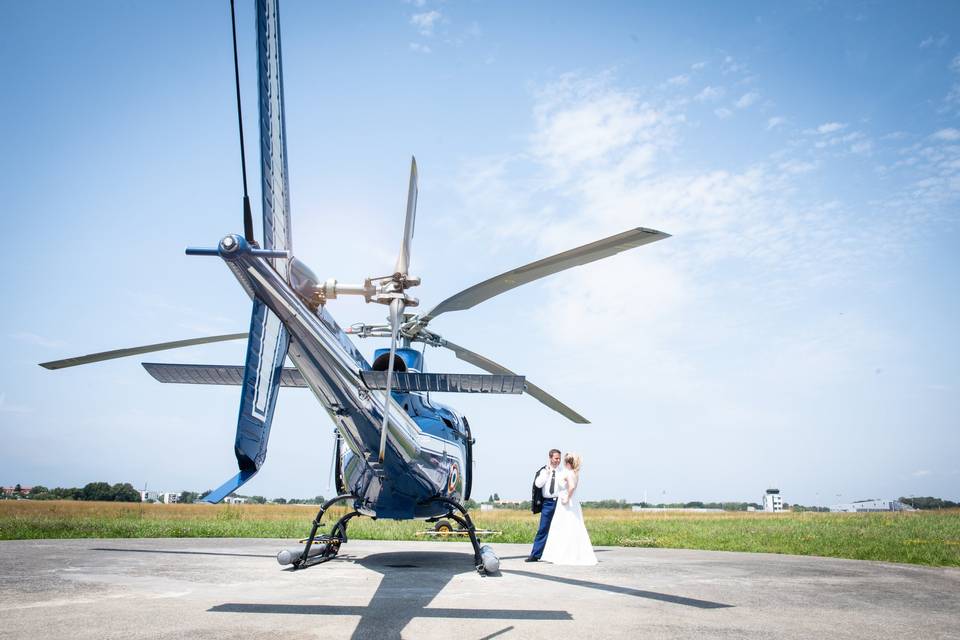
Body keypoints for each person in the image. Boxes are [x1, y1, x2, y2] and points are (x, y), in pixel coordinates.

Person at [540, 453, 597, 566]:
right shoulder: (574, 473)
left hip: (566, 503)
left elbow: (571, 487)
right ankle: (565, 553)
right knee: (571, 526)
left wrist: (567, 498)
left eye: (565, 461)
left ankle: (564, 554)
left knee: (563, 527)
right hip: (571, 503)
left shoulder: (569, 474)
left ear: (568, 463)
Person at [526, 448, 562, 562]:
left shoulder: (562, 471)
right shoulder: (543, 471)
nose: (558, 461)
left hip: (560, 503)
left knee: (560, 529)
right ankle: (535, 554)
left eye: (559, 459)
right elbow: (538, 484)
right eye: (556, 458)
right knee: (543, 529)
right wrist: (547, 473)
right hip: (548, 503)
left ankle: (559, 554)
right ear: (550, 458)